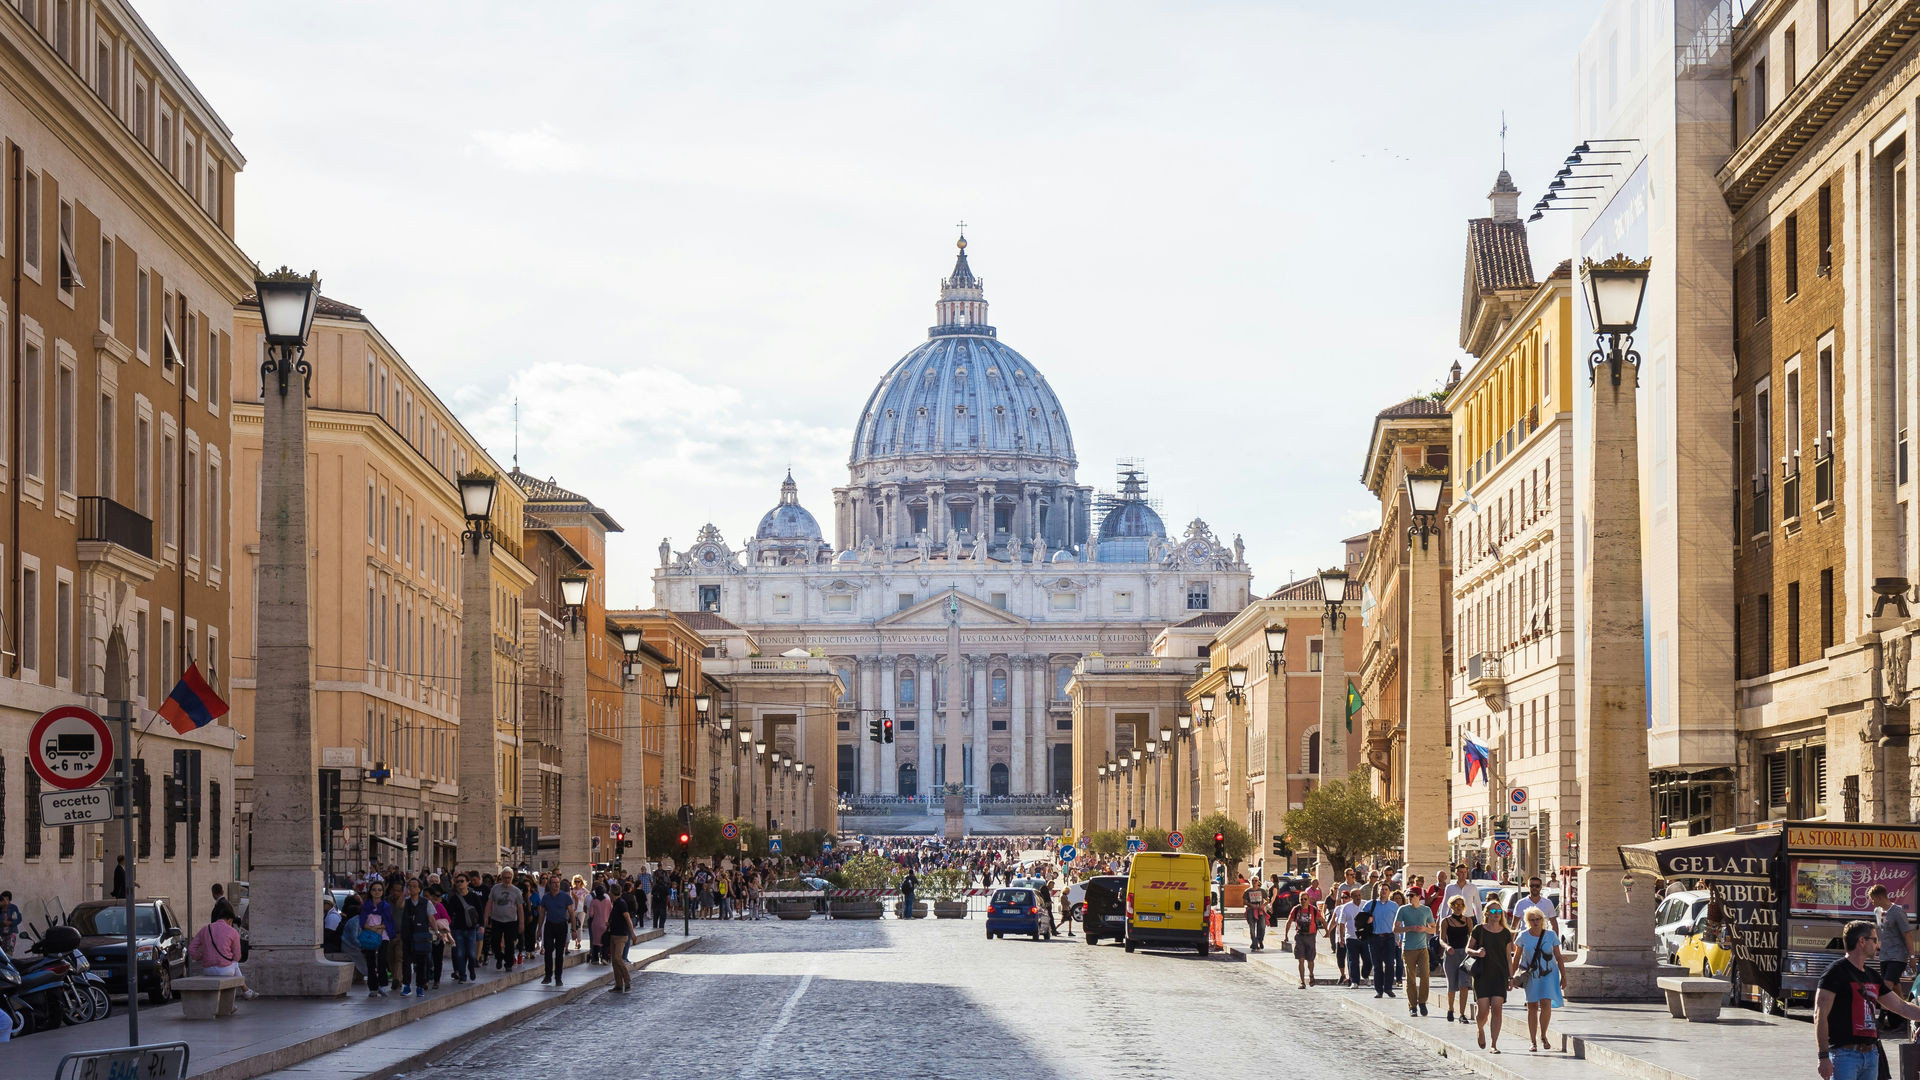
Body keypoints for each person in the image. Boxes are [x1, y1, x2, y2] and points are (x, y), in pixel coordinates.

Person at [1818, 920, 1920, 1080]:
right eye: (1874, 940)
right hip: (1844, 1055)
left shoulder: (1872, 975)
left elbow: (1901, 1006)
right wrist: (1823, 1056)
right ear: (1862, 941)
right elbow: (1820, 1015)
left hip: (1871, 1055)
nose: (1878, 945)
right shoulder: (1835, 973)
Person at [1468, 903, 1518, 1053]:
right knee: (1482, 1011)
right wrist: (1477, 953)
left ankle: (1494, 1044)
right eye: (1493, 911)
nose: (1496, 913)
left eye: (1499, 911)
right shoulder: (1479, 929)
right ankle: (1480, 1028)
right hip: (1482, 975)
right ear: (1487, 913)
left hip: (1500, 975)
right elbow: (1467, 949)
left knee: (1497, 1008)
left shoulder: (1506, 933)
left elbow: (1509, 957)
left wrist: (1511, 977)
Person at [1517, 906, 1567, 1052]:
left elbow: (1558, 957)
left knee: (1546, 1004)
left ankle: (1543, 1035)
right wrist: (1512, 976)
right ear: (1527, 921)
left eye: (1538, 919)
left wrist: (1564, 976)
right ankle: (1533, 1041)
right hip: (1531, 975)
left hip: (1549, 974)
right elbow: (1516, 958)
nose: (1535, 922)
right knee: (1532, 1006)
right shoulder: (1523, 936)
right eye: (1532, 920)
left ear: (1542, 920)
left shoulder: (1551, 935)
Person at [1872, 884, 1915, 1031]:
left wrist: (1912, 956)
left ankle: (1880, 1019)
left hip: (1897, 956)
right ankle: (1902, 1021)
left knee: (1886, 986)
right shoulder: (1877, 911)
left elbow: (1907, 935)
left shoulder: (1897, 912)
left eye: (1872, 899)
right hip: (1884, 956)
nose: (1871, 902)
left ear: (1880, 897)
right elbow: (1881, 932)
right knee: (1896, 990)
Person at [187, 907, 256, 998]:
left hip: (208, 970)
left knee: (234, 965)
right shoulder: (233, 932)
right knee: (235, 964)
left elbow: (191, 948)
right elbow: (237, 956)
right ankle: (245, 991)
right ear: (230, 920)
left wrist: (200, 957)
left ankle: (245, 992)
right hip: (225, 970)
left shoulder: (205, 929)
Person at [1395, 887, 1436, 1017]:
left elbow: (1433, 929)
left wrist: (1424, 929)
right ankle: (1412, 1006)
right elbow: (1395, 928)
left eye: (1412, 895)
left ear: (1419, 896)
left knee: (1425, 975)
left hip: (1422, 948)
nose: (1409, 898)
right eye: (1408, 895)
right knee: (1410, 978)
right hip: (1408, 948)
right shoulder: (1403, 909)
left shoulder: (1426, 910)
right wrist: (1409, 928)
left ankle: (1422, 1002)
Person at [397, 878, 435, 998]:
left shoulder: (426, 902)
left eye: (414, 886)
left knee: (421, 962)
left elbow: (431, 918)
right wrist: (404, 893)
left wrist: (437, 931)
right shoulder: (406, 901)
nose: (412, 888)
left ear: (419, 889)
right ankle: (406, 986)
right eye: (410, 886)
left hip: (421, 935)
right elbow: (399, 905)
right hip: (408, 935)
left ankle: (420, 986)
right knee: (406, 962)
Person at [1441, 895, 1475, 1024]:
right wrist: (1447, 947)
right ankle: (1450, 1009)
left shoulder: (1468, 920)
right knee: (1451, 984)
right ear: (1451, 906)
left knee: (1464, 984)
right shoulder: (1446, 921)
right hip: (1451, 954)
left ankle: (1462, 1013)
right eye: (1456, 905)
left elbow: (1472, 937)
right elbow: (1441, 938)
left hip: (1464, 954)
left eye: (1461, 905)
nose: (1459, 907)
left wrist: (1472, 951)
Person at [358, 880, 394, 998]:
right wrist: (371, 929)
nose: (377, 892)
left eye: (379, 890)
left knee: (382, 961)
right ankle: (372, 987)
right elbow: (362, 922)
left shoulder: (386, 906)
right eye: (374, 890)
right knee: (370, 961)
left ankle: (382, 985)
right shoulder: (365, 905)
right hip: (369, 936)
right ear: (370, 891)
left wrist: (378, 928)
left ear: (383, 892)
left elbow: (388, 921)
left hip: (383, 936)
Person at [1362, 889, 1400, 998]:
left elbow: (1398, 922)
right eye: (1382, 889)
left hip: (1389, 937)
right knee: (1377, 965)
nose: (1384, 891)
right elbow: (1360, 919)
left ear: (1389, 892)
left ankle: (1388, 988)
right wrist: (1367, 920)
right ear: (1378, 891)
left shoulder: (1394, 906)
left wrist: (1400, 938)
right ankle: (1379, 990)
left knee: (1390, 964)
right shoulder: (1370, 904)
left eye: (1386, 890)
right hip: (1374, 937)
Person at [446, 876, 481, 983]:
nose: (460, 883)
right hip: (458, 929)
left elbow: (480, 911)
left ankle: (471, 967)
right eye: (457, 882)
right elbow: (449, 914)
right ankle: (462, 976)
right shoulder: (454, 898)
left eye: (462, 881)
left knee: (471, 953)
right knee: (460, 954)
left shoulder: (474, 897)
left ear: (467, 883)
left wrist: (482, 925)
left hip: (471, 929)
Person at [540, 877, 574, 986]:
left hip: (561, 926)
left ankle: (558, 977)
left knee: (559, 953)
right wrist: (539, 929)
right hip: (549, 925)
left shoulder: (565, 897)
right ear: (549, 885)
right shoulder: (546, 898)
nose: (555, 885)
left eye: (557, 883)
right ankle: (547, 976)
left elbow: (571, 913)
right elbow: (542, 914)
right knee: (548, 951)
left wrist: (573, 929)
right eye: (553, 883)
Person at [487, 871, 523, 971]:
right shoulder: (495, 888)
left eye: (509, 878)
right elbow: (489, 902)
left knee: (510, 943)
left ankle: (508, 963)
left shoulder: (516, 891)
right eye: (505, 878)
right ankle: (499, 957)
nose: (507, 880)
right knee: (495, 942)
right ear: (501, 878)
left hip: (511, 921)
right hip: (496, 919)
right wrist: (486, 917)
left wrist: (521, 923)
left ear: (511, 878)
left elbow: (520, 908)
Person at [605, 883, 634, 994]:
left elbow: (627, 918)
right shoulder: (616, 903)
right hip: (613, 934)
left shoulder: (621, 903)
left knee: (617, 958)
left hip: (621, 935)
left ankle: (627, 980)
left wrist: (632, 932)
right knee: (614, 961)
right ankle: (618, 984)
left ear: (612, 892)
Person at [1288, 895, 1322, 988]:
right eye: (1301, 899)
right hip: (1300, 936)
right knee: (1301, 960)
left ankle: (1311, 974)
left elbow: (1322, 919)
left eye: (1305, 899)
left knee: (1310, 960)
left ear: (1308, 900)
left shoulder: (1313, 910)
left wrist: (1327, 931)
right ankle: (1302, 982)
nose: (1303, 901)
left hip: (1311, 936)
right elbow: (1289, 921)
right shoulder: (1296, 909)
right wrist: (1286, 935)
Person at [1335, 888, 1363, 987]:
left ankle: (1365, 976)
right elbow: (1341, 923)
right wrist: (1341, 938)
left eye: (1359, 895)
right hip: (1351, 937)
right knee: (1353, 960)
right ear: (1351, 897)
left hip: (1364, 937)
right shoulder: (1346, 907)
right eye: (1355, 895)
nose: (1358, 897)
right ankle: (1355, 981)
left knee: (1367, 959)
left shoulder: (1365, 905)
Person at [586, 886, 612, 964]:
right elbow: (611, 911)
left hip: (596, 924)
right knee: (604, 941)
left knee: (595, 941)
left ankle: (595, 958)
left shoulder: (594, 901)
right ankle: (604, 957)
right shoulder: (608, 901)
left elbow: (591, 914)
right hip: (605, 923)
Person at [1243, 876, 1269, 952]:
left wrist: (1263, 905)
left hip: (1260, 910)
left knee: (1262, 927)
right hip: (1251, 910)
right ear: (1251, 881)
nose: (1254, 882)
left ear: (1258, 882)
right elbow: (1244, 902)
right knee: (1252, 927)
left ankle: (1259, 940)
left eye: (1256, 880)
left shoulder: (1262, 891)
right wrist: (1251, 905)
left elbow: (1267, 900)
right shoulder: (1247, 891)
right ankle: (1254, 943)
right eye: (1253, 880)